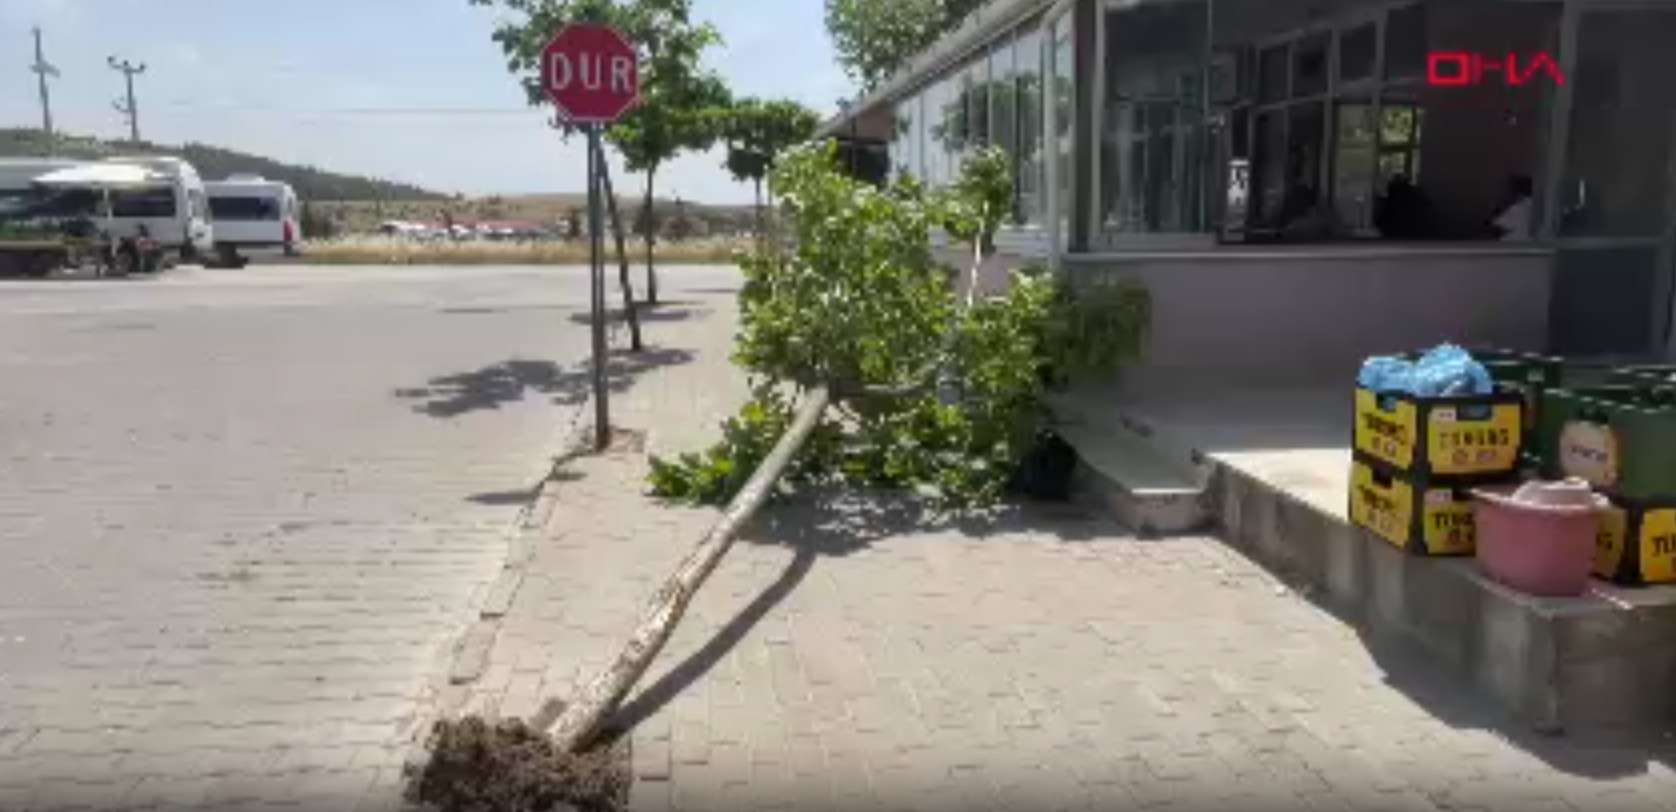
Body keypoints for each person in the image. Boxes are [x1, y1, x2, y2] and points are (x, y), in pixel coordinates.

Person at [1491, 175, 1535, 242]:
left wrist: (1500, 207)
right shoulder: (1537, 206)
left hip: (1512, 247)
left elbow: (1497, 229)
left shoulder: (1518, 207)